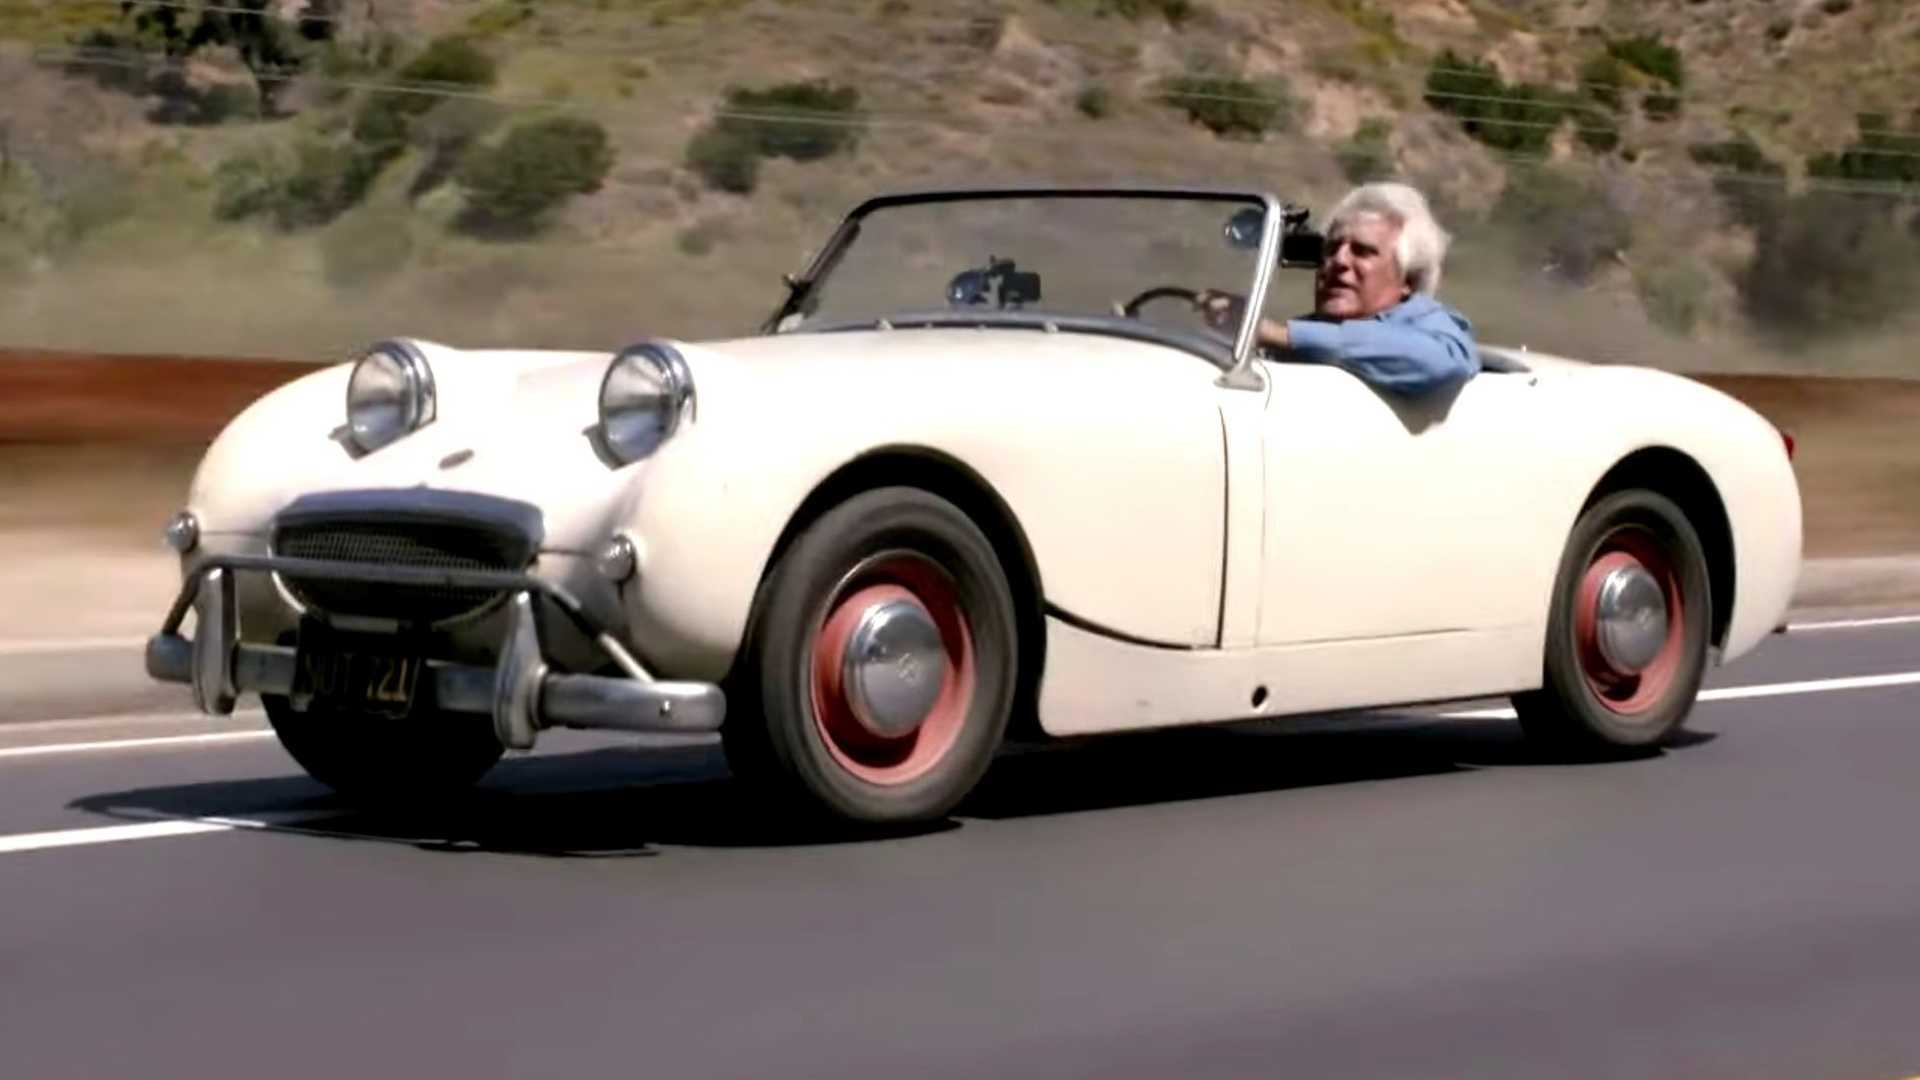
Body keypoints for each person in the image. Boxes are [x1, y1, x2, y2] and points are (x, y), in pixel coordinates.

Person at [1198, 182, 1479, 397]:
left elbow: (1443, 363)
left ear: (1408, 279)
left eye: (1363, 251)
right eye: (1331, 248)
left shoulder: (1429, 325)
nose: (1339, 261)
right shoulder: (1313, 330)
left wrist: (1279, 334)